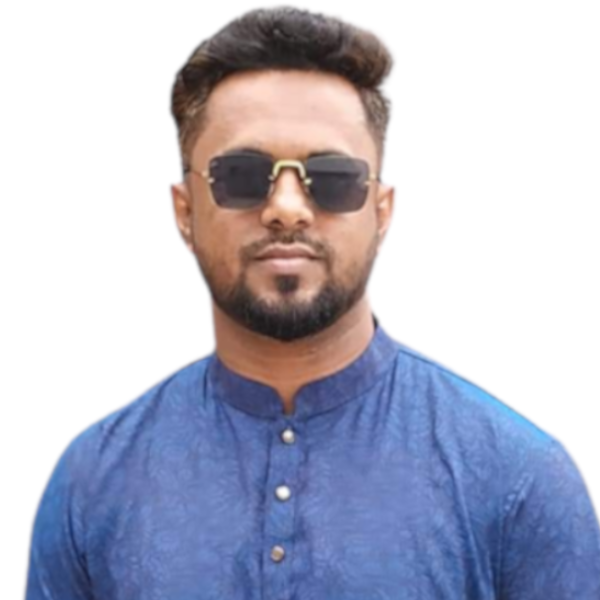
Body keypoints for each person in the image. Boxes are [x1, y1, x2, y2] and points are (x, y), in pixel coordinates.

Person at [25, 6, 600, 599]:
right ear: (185, 211)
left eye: (333, 178)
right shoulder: (94, 482)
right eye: (242, 175)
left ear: (380, 212)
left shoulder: (516, 479)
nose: (287, 209)